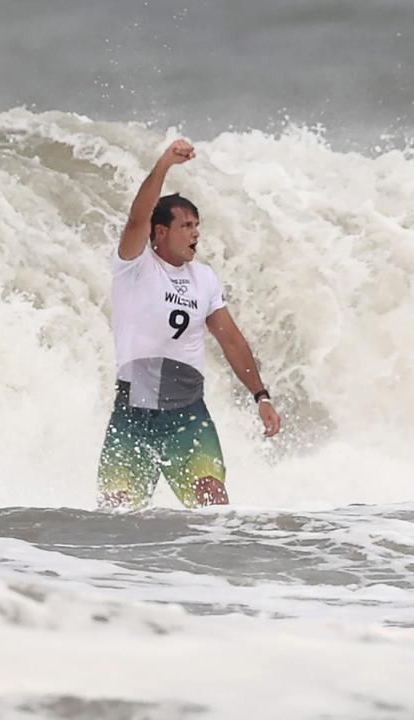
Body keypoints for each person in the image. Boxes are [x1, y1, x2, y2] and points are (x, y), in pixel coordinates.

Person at [97, 138, 281, 510]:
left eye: (197, 225)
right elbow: (137, 217)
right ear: (160, 232)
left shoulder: (205, 279)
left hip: (186, 408)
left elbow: (231, 340)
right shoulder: (135, 266)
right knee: (117, 511)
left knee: (213, 500)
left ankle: (214, 568)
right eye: (186, 225)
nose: (196, 233)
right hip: (137, 404)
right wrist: (163, 164)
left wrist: (261, 395)